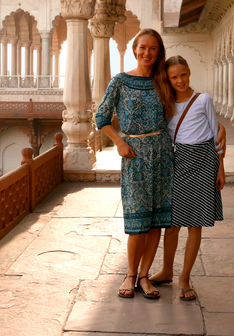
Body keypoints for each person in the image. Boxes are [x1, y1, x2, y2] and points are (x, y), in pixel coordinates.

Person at [94, 28, 176, 300]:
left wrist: (216, 127)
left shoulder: (163, 81)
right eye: (143, 47)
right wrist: (118, 141)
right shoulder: (120, 81)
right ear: (134, 49)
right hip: (134, 155)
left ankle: (145, 276)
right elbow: (101, 117)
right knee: (137, 218)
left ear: (158, 52)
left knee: (156, 221)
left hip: (163, 154)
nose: (147, 53)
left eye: (153, 48)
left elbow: (188, 100)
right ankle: (130, 273)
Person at [148, 55, 225, 302]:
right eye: (174, 77)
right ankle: (167, 270)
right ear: (167, 80)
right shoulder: (166, 103)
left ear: (189, 73)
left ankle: (185, 278)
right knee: (172, 224)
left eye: (183, 75)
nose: (179, 81)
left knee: (195, 224)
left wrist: (220, 168)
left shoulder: (203, 100)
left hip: (204, 161)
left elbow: (216, 134)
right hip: (178, 162)